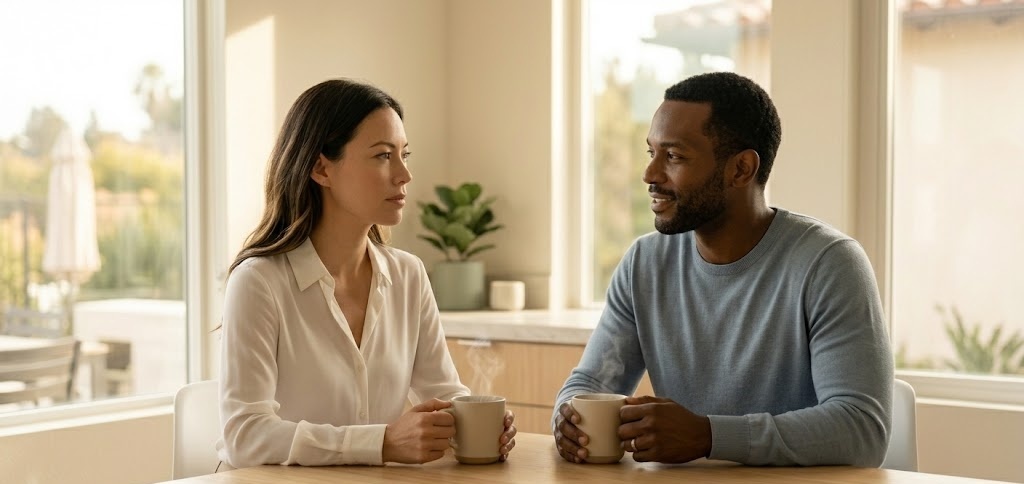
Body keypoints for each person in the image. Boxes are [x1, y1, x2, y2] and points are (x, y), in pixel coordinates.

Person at [553, 72, 893, 467]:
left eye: (674, 157)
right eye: (652, 154)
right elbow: (591, 384)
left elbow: (861, 430)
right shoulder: (644, 264)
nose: (650, 175)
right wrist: (567, 419)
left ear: (741, 169)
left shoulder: (829, 263)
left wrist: (709, 436)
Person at [217, 78, 516, 469]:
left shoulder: (409, 275)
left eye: (404, 155)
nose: (404, 175)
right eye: (382, 156)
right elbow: (245, 435)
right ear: (321, 169)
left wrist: (473, 423)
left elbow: (443, 392)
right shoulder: (258, 282)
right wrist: (382, 442)